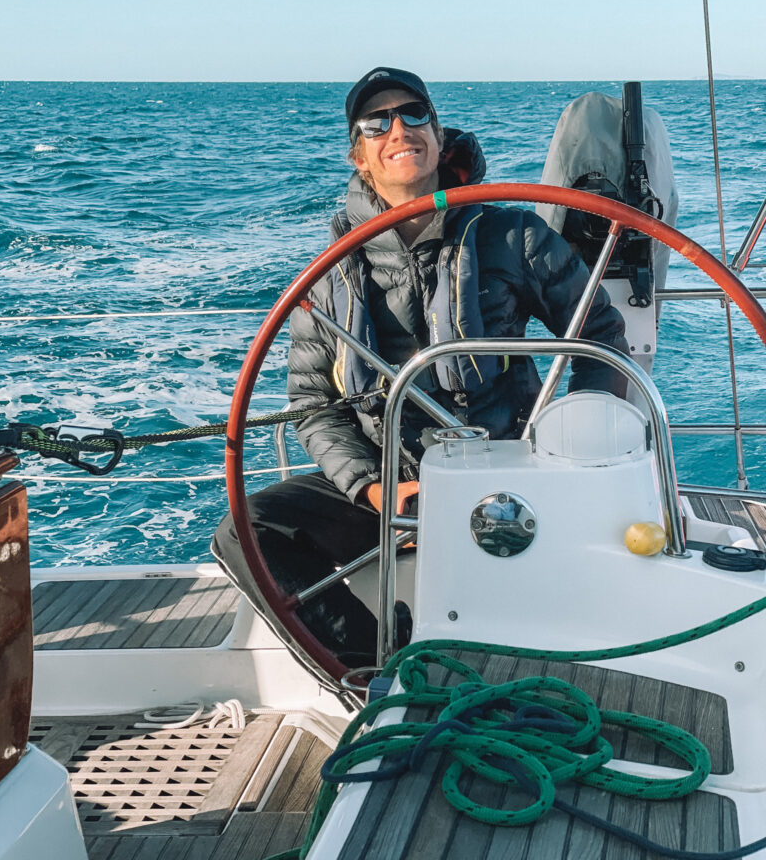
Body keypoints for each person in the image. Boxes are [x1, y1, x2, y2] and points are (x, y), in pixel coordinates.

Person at [213, 67, 628, 663]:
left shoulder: (512, 235)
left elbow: (601, 338)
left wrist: (566, 448)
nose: (398, 129)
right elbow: (310, 404)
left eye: (413, 115)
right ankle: (375, 671)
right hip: (394, 486)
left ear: (437, 134)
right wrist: (373, 486)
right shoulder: (330, 272)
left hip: (507, 471)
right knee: (248, 531)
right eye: (376, 123)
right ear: (360, 156)